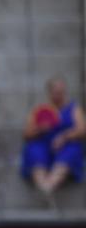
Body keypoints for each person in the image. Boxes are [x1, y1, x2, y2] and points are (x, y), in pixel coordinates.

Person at [21, 77, 84, 209]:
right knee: (34, 151)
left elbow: (82, 130)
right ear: (49, 93)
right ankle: (45, 188)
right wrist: (40, 129)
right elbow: (26, 134)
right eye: (56, 92)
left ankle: (46, 189)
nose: (59, 95)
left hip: (66, 145)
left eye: (61, 92)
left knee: (71, 152)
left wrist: (65, 136)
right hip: (43, 144)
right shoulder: (40, 109)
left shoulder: (74, 109)